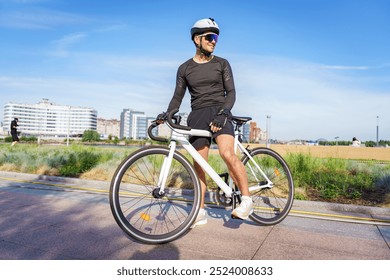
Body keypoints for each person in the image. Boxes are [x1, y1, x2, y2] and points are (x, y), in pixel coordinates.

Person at [157, 18, 253, 227]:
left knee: (227, 153)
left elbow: (232, 92)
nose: (214, 41)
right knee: (199, 164)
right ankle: (199, 212)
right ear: (196, 39)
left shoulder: (222, 63)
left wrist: (223, 113)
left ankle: (246, 200)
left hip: (220, 111)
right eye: (210, 37)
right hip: (198, 114)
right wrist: (167, 113)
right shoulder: (184, 68)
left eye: (216, 37)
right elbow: (177, 97)